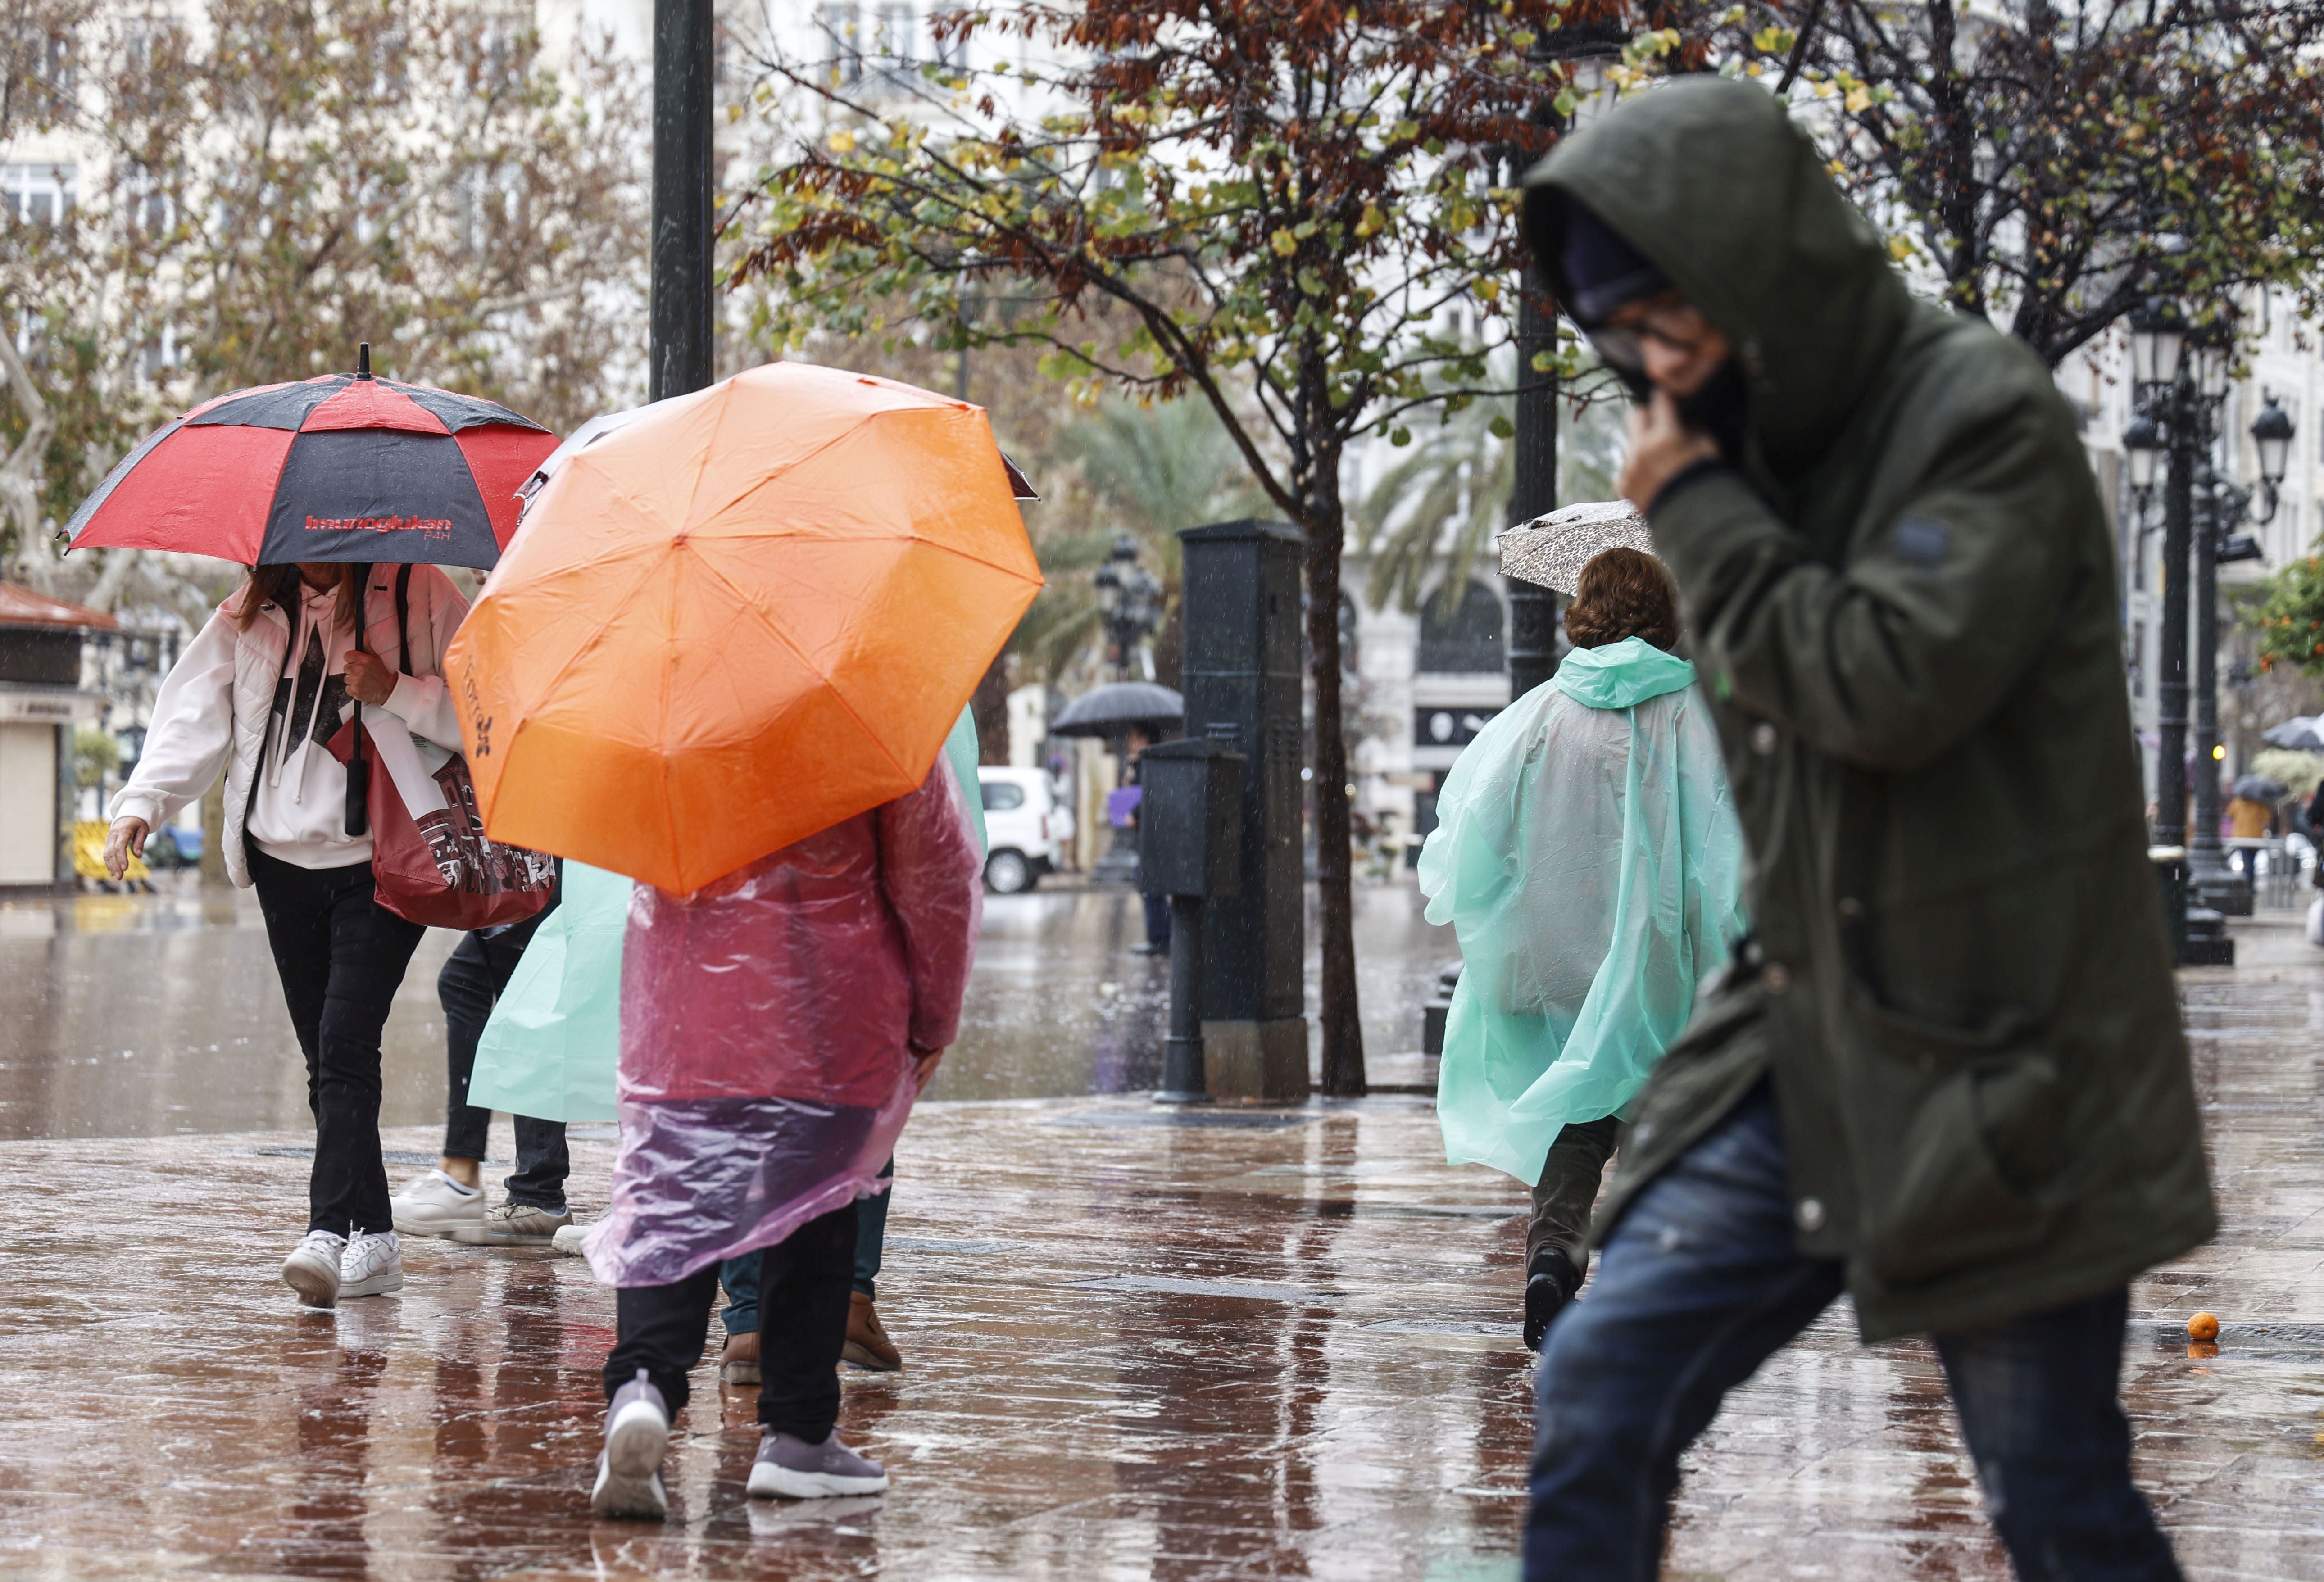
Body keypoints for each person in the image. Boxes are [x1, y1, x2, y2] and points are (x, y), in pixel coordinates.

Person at [1518, 78, 2212, 1578]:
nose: (1650, 367)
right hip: (1806, 1036)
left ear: (1756, 273)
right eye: (1620, 338)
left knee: (2059, 1499)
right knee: (1598, 1390)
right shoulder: (1750, 447)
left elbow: (1887, 683)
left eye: (1667, 323)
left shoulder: (1982, 424)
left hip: (1998, 1059)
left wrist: (1696, 508)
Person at [587, 757, 980, 1519]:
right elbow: (937, 880)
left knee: (673, 1208)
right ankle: (798, 1434)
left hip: (685, 1011)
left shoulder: (668, 710)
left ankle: (643, 1387)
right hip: (829, 1010)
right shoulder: (867, 721)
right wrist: (935, 1016)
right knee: (816, 1210)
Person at [106, 560, 474, 1309]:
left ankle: (326, 1231)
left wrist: (396, 690)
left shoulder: (419, 591)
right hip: (280, 864)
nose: (317, 548)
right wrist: (143, 802)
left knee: (344, 1041)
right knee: (326, 1058)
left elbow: (489, 708)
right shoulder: (251, 608)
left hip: (382, 862)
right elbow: (195, 711)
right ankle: (376, 1236)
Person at [1418, 547, 1745, 1352]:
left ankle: (1553, 1256)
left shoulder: (1539, 714)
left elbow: (1474, 834)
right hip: (1660, 958)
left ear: (1585, 609)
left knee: (1580, 1113)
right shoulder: (1692, 712)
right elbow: (1732, 840)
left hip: (1561, 959)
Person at [388, 876, 576, 1246]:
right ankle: (526, 1187)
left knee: (510, 991)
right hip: (540, 851)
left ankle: (524, 1190)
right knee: (483, 984)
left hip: (556, 849)